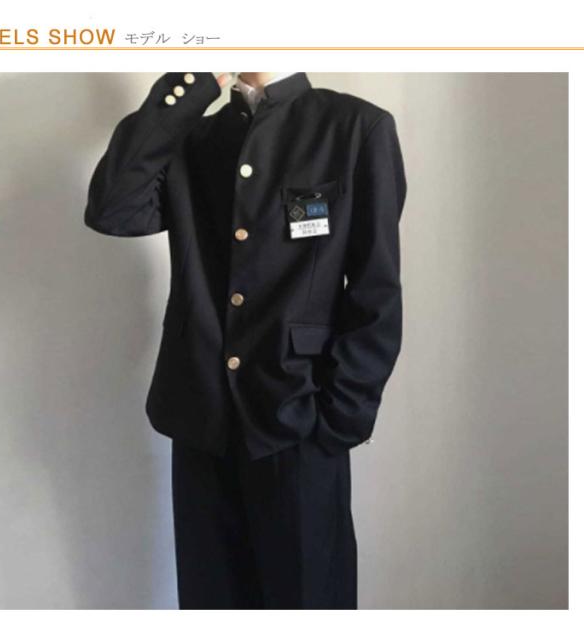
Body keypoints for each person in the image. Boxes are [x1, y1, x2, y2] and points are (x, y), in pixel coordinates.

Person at [84, 72, 407, 609]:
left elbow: (376, 290)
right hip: (201, 420)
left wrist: (338, 420)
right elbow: (112, 209)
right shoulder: (195, 136)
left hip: (299, 421)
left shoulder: (353, 127)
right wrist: (187, 90)